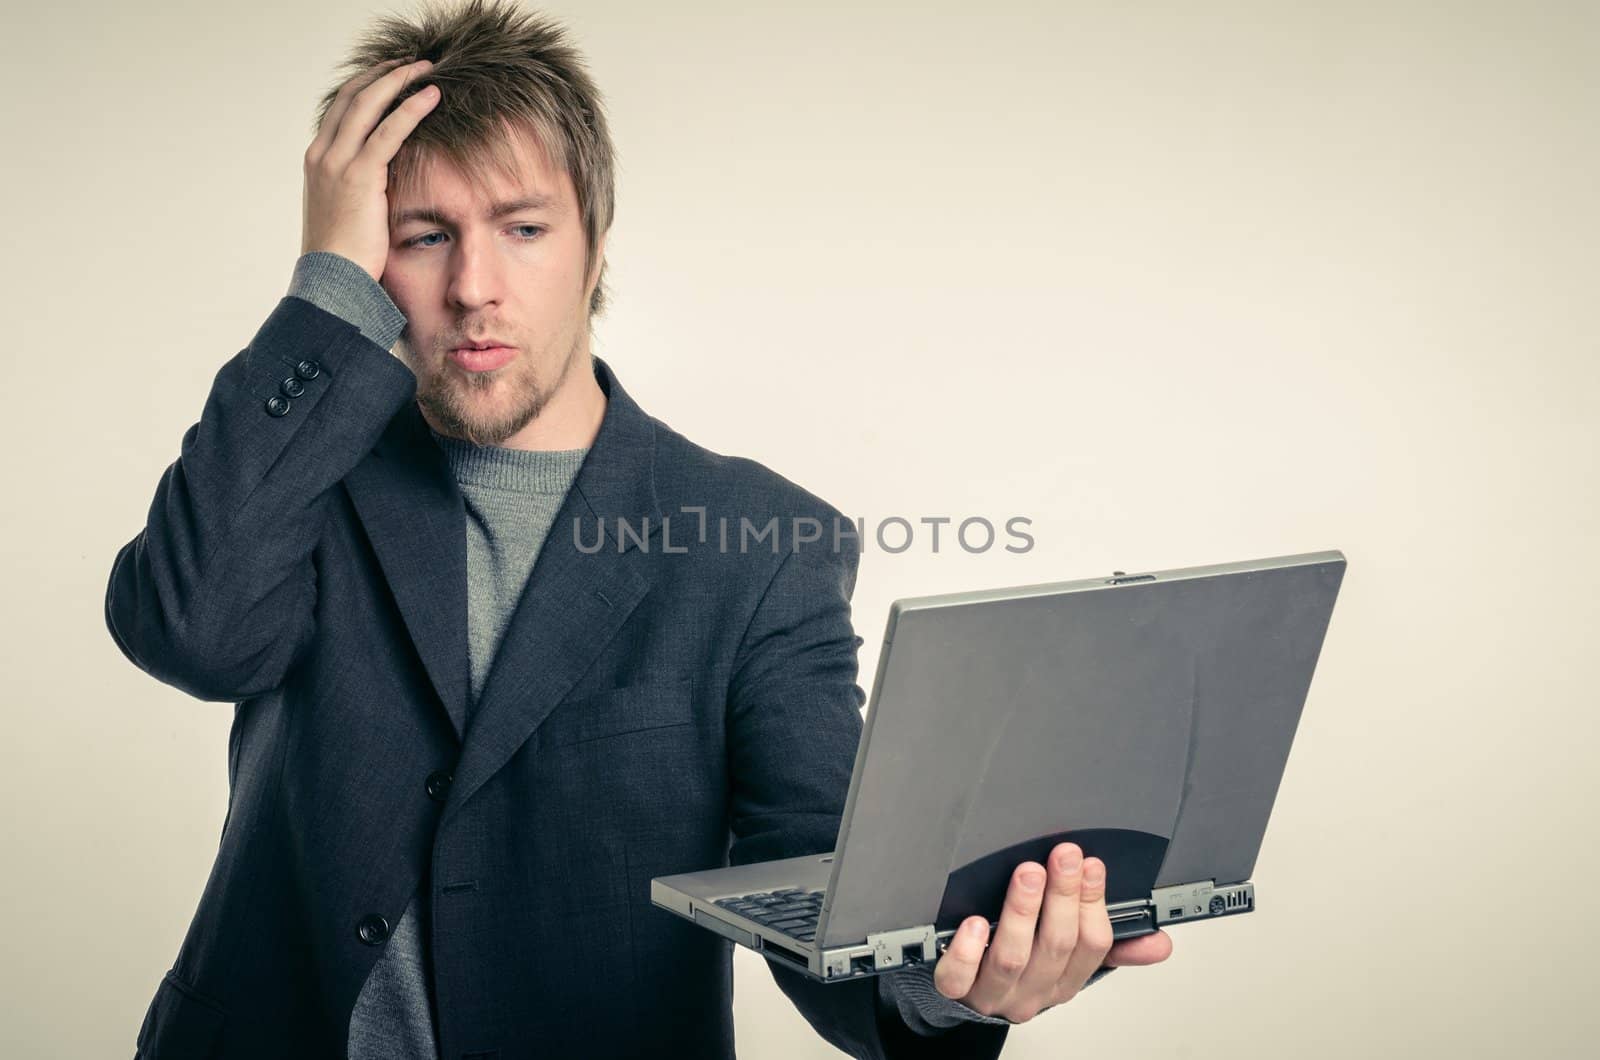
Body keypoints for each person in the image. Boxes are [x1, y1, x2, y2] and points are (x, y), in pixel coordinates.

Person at [105, 2, 1172, 1056]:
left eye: (524, 229)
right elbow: (191, 632)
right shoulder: (304, 478)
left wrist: (955, 986)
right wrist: (327, 288)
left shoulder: (759, 543)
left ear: (595, 244)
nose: (476, 288)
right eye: (423, 238)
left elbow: (814, 866)